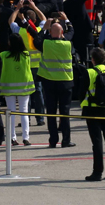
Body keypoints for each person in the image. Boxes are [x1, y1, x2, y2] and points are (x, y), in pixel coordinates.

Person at [33, 19, 76, 148]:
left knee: (51, 112)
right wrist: (68, 21)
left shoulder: (45, 44)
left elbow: (36, 40)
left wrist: (44, 28)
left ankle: (53, 140)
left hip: (49, 82)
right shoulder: (68, 44)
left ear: (51, 32)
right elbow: (71, 32)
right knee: (65, 112)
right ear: (62, 33)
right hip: (65, 82)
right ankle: (66, 140)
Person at [83, 48, 105, 181]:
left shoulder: (90, 72)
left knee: (97, 142)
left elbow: (81, 92)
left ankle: (97, 172)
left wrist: (84, 104)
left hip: (93, 110)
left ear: (93, 59)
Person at [0, 32, 34, 146]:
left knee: (11, 113)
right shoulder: (26, 55)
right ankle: (26, 137)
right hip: (24, 87)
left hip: (9, 88)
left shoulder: (4, 55)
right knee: (24, 112)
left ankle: (12, 138)